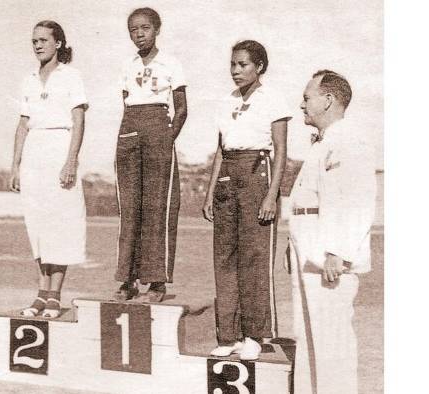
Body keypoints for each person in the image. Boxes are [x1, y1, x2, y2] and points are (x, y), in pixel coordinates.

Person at [288, 70, 376, 394]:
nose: (302, 104)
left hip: (329, 257)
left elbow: (358, 199)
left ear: (328, 100)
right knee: (308, 339)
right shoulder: (324, 141)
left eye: (307, 97)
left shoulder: (349, 139)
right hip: (310, 253)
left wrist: (338, 251)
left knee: (332, 346)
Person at [202, 40, 291, 360]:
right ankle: (229, 334)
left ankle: (255, 333)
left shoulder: (273, 99)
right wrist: (210, 192)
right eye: (233, 65)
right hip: (228, 174)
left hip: (258, 174)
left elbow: (281, 151)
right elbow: (220, 149)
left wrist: (271, 196)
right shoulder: (226, 101)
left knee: (253, 259)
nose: (236, 71)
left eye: (243, 65)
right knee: (224, 258)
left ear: (260, 67)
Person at [10, 20, 88, 318]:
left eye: (43, 40)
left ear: (58, 43)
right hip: (34, 155)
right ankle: (41, 294)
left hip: (60, 148)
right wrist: (16, 165)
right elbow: (22, 124)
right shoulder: (28, 79)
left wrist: (71, 160)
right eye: (34, 41)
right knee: (39, 225)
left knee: (61, 224)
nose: (38, 45)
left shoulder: (71, 76)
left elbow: (79, 119)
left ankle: (55, 294)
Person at [114, 7, 187, 303]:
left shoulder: (171, 63)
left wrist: (165, 139)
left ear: (157, 29)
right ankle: (127, 280)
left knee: (158, 207)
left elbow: (181, 109)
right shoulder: (128, 66)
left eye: (144, 28)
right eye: (133, 29)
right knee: (130, 209)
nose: (139, 34)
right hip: (130, 129)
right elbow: (126, 106)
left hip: (159, 128)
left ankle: (156, 283)